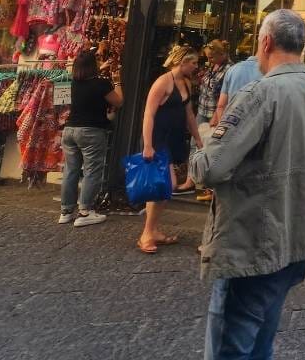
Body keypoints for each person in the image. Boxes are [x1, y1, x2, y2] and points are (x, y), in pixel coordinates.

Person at [190, 9, 305, 360]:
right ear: (302, 46)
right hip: (296, 242)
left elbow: (210, 170)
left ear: (265, 43)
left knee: (231, 347)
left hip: (250, 245)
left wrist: (201, 139)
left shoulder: (260, 94)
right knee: (262, 341)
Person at [137, 46, 204, 254]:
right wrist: (148, 145)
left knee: (163, 186)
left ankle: (153, 230)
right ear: (182, 62)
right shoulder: (162, 82)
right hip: (158, 138)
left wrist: (198, 139)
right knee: (167, 184)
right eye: (193, 62)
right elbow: (149, 114)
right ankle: (147, 233)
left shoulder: (186, 83)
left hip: (173, 139)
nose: (196, 66)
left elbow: (189, 114)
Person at [59, 47, 122, 227]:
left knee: (70, 171)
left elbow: (84, 84)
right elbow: (119, 101)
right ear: (93, 66)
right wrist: (118, 82)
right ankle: (85, 212)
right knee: (92, 171)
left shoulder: (72, 82)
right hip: (91, 131)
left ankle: (66, 211)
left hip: (69, 130)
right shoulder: (102, 84)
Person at [193, 40, 231, 203]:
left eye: (212, 57)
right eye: (208, 57)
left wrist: (217, 115)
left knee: (212, 148)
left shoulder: (228, 70)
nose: (209, 60)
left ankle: (209, 186)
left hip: (214, 113)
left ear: (221, 55)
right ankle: (193, 180)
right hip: (203, 109)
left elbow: (224, 96)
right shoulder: (211, 67)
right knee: (196, 144)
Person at [211, 53, 263, 126]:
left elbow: (221, 106)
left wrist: (222, 126)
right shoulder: (268, 73)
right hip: (254, 126)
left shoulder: (232, 69)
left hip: (230, 123)